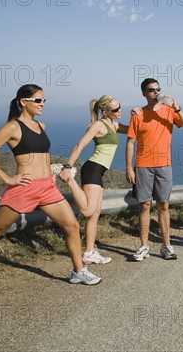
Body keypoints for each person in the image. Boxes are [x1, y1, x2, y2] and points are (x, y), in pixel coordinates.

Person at [0, 84, 101, 290]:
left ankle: (78, 270)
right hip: (24, 188)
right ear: (23, 101)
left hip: (47, 187)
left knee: (72, 226)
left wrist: (51, 170)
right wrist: (8, 179)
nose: (42, 104)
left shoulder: (41, 126)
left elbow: (39, 157)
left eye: (44, 100)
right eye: (38, 100)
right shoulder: (12, 127)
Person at [125, 78, 183, 261]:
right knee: (144, 206)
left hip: (164, 164)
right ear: (143, 93)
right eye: (151, 89)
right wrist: (128, 168)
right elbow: (130, 142)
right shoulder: (137, 114)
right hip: (143, 165)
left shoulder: (169, 111)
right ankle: (144, 246)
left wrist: (177, 107)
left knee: (163, 205)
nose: (155, 92)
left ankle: (166, 246)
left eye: (158, 89)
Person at [57, 95, 128, 265]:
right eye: (115, 109)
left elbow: (135, 129)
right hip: (92, 169)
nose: (119, 111)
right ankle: (70, 180)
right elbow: (79, 146)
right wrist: (67, 167)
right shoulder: (98, 125)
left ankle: (89, 252)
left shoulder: (114, 124)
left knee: (95, 214)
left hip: (99, 171)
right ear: (105, 112)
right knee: (88, 211)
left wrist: (138, 113)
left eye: (120, 107)